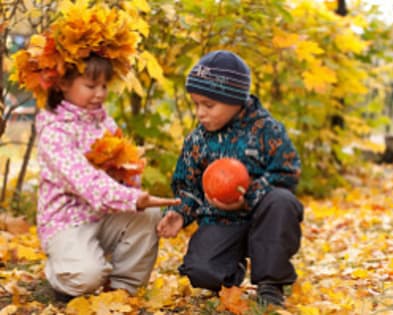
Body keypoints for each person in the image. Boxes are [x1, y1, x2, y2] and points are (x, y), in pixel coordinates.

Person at [157, 50, 304, 307]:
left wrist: (246, 197)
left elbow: (287, 172)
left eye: (208, 105)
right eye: (196, 104)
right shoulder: (197, 140)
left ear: (235, 99)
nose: (201, 113)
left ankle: (271, 284)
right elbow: (188, 186)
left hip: (264, 216)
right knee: (200, 271)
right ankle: (229, 269)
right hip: (222, 220)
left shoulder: (266, 130)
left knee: (282, 201)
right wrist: (180, 213)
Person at [35, 53, 180, 300]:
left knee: (148, 216)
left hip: (103, 217)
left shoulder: (104, 123)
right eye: (91, 86)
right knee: (87, 276)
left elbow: (126, 169)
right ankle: (63, 273)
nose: (100, 93)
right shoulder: (54, 131)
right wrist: (133, 198)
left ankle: (122, 289)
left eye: (104, 85)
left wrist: (134, 184)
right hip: (67, 223)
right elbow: (86, 181)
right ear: (62, 84)